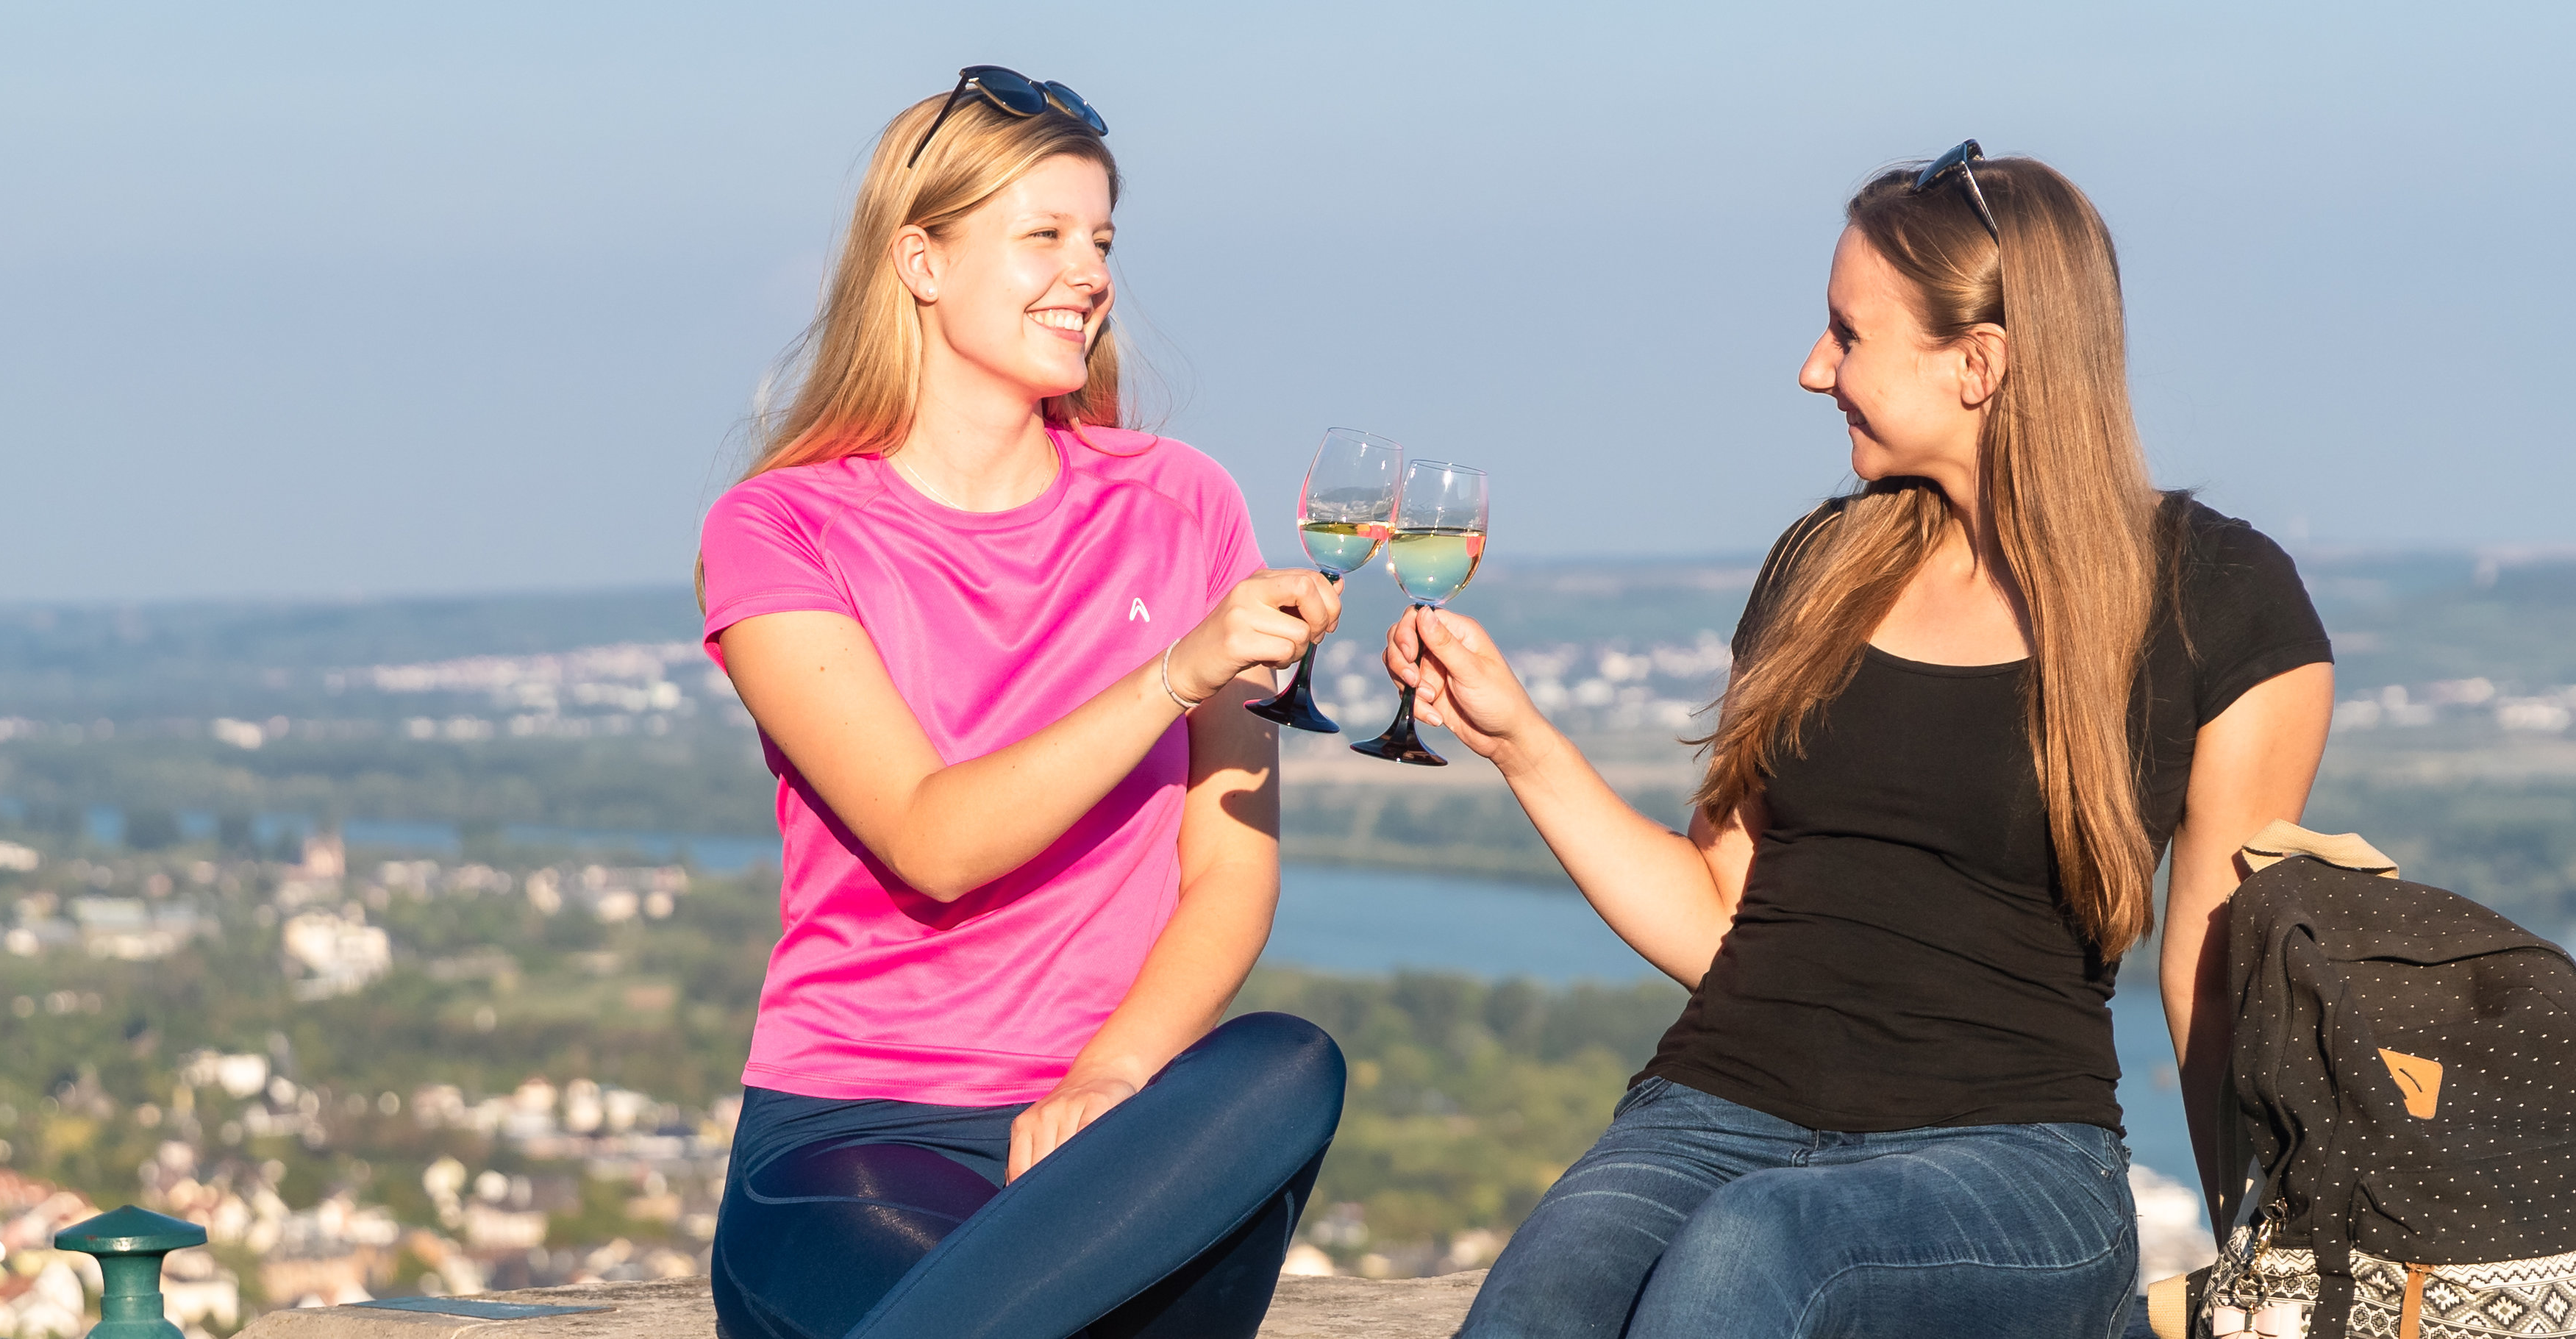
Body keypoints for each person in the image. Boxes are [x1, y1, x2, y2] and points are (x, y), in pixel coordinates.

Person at [1405, 146, 2336, 1338]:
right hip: (1710, 1113)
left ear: (1979, 364)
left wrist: (2256, 1264)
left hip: (2013, 1164)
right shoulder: (1819, 569)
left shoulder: (2221, 598)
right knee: (1538, 1307)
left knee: (1756, 1248)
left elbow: (2214, 979)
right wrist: (1521, 741)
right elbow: (1717, 914)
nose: (1811, 369)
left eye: (1847, 334)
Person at [693, 67, 1348, 1339]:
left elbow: (1231, 871)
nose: (1087, 271)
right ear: (921, 260)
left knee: (1288, 1064)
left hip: (1113, 1141)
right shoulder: (780, 527)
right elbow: (935, 840)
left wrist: (1112, 1071)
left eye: (1100, 239)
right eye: (1042, 234)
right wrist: (1173, 673)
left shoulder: (1184, 502)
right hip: (858, 1145)